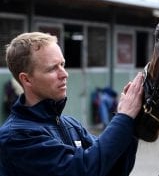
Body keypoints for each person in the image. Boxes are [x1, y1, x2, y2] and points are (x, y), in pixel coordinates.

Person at [0, 32, 144, 176]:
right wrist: (124, 117)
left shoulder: (71, 125)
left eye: (62, 64)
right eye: (52, 68)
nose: (64, 74)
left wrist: (134, 123)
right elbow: (83, 171)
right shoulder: (16, 136)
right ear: (27, 80)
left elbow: (112, 168)